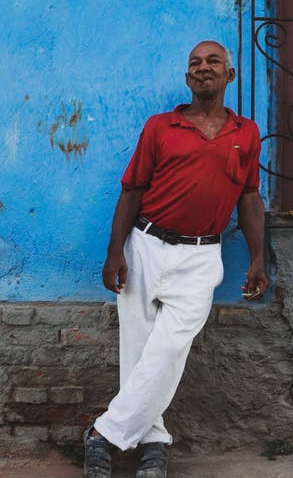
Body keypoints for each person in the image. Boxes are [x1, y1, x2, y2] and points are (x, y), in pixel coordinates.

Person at [83, 40, 268, 478]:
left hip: (202, 255)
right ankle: (154, 444)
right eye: (195, 64)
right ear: (188, 79)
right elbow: (132, 190)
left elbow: (249, 196)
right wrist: (115, 252)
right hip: (145, 246)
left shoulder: (246, 134)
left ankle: (104, 435)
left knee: (169, 348)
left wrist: (258, 257)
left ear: (229, 76)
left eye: (213, 62)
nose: (204, 68)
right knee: (138, 352)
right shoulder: (160, 127)